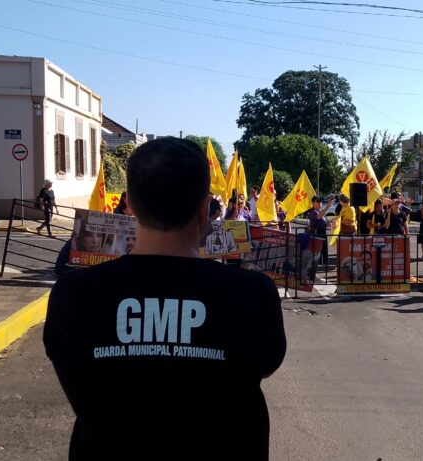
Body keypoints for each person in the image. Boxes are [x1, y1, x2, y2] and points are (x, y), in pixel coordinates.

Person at [44, 137, 286, 460]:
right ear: (205, 209)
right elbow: (264, 365)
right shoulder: (254, 297)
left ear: (129, 203)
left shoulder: (72, 298)